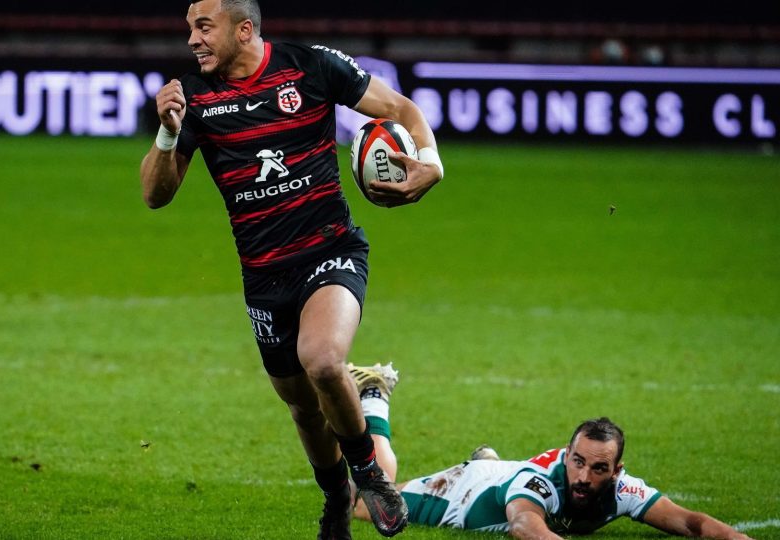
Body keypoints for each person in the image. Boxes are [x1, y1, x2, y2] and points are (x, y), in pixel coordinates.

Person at [139, 1, 444, 538]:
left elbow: (399, 109)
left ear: (245, 29)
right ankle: (334, 501)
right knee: (303, 407)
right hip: (263, 274)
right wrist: (166, 134)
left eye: (203, 27)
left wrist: (432, 161)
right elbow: (154, 196)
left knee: (323, 361)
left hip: (331, 248)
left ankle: (369, 474)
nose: (192, 39)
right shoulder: (193, 97)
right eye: (190, 28)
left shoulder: (311, 67)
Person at [347, 363, 755, 540]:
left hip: (506, 479)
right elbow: (526, 527)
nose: (583, 477)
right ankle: (374, 394)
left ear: (615, 472)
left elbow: (691, 523)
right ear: (567, 456)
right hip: (465, 494)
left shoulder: (623, 490)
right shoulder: (541, 482)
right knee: (369, 504)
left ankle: (491, 462)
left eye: (598, 469)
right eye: (577, 462)